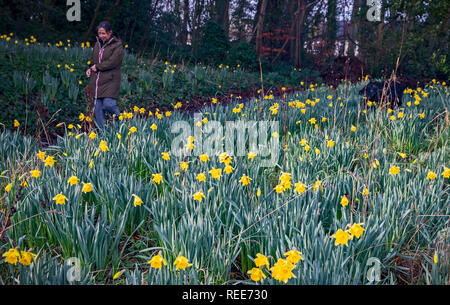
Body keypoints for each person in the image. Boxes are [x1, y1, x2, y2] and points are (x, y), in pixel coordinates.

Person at [86, 21, 124, 131]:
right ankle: (103, 135)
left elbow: (113, 62)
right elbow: (93, 60)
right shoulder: (97, 44)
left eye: (104, 33)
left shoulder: (117, 45)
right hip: (97, 81)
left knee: (109, 104)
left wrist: (97, 67)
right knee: (97, 109)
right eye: (100, 33)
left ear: (110, 32)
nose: (101, 36)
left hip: (111, 80)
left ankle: (122, 125)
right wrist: (89, 68)